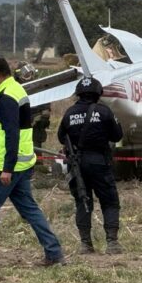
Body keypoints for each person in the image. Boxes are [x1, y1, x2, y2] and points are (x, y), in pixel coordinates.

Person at [0, 57, 64, 266]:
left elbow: (12, 133)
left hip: (3, 165)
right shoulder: (15, 90)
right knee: (29, 209)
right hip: (19, 163)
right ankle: (54, 253)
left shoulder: (7, 96)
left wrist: (6, 169)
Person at [57, 76, 124, 254]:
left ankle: (86, 244)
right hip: (99, 162)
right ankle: (112, 243)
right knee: (109, 201)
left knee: (82, 201)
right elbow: (117, 136)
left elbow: (61, 137)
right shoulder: (104, 111)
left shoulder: (69, 113)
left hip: (77, 164)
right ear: (98, 93)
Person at [14, 62, 50, 148]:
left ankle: (38, 161)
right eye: (25, 74)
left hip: (35, 129)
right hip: (18, 128)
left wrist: (38, 118)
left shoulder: (39, 88)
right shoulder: (13, 89)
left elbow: (46, 112)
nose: (28, 76)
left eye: (29, 73)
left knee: (36, 152)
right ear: (18, 75)